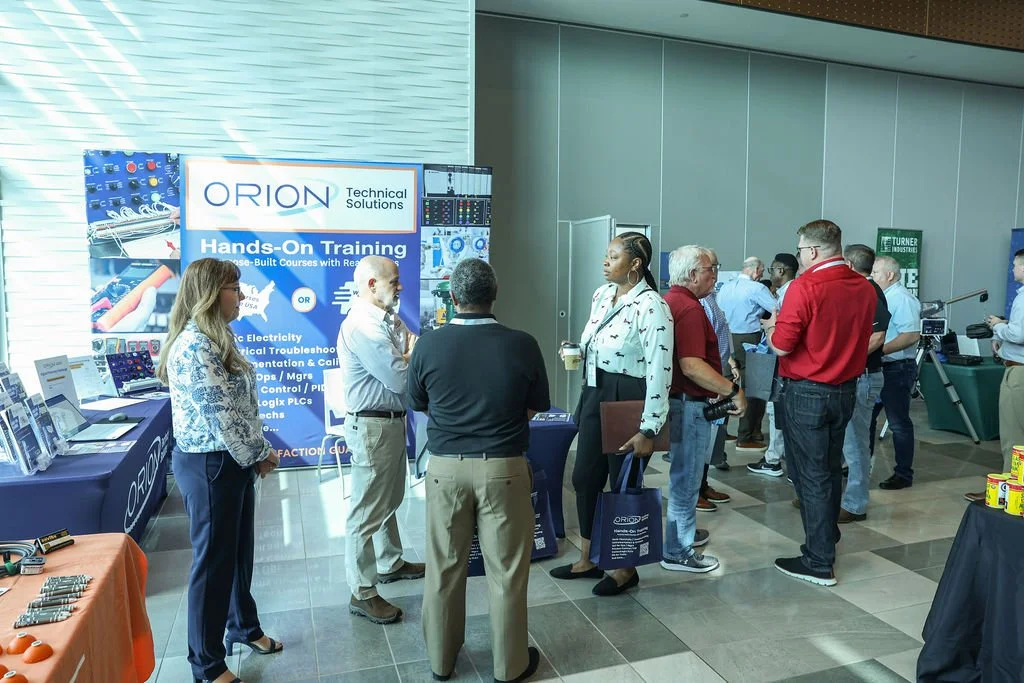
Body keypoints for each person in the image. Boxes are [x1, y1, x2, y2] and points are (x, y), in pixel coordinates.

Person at [410, 258, 548, 683]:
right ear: (495, 296)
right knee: (506, 571)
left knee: (443, 568)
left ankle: (441, 661)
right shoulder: (522, 343)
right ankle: (509, 668)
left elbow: (420, 402)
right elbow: (537, 405)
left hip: (445, 469)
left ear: (452, 298)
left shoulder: (428, 344)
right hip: (504, 468)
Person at [158, 258, 283, 683]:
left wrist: (252, 454)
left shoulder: (219, 337)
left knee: (236, 556)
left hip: (230, 462)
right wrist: (260, 453)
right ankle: (207, 665)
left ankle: (244, 628)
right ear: (211, 294)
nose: (242, 295)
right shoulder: (195, 347)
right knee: (213, 565)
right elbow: (223, 417)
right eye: (234, 288)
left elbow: (239, 409)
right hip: (211, 464)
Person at [549, 231, 673, 596]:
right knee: (586, 477)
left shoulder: (652, 305)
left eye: (614, 256)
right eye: (606, 255)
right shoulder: (602, 295)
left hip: (628, 398)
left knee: (623, 484)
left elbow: (660, 368)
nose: (605, 261)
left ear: (635, 264)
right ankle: (588, 557)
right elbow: (596, 341)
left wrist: (650, 429)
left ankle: (625, 567)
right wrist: (576, 350)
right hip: (594, 391)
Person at [761, 220, 876, 586]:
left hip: (807, 390)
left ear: (811, 251)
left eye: (799, 251)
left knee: (810, 474)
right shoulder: (865, 287)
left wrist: (772, 327)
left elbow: (782, 345)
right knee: (829, 467)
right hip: (845, 389)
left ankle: (818, 559)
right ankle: (828, 535)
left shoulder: (804, 286)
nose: (799, 256)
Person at [337, 255, 425, 625]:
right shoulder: (363, 326)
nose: (400, 286)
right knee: (366, 509)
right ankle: (362, 591)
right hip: (373, 426)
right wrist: (409, 354)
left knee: (389, 497)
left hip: (389, 422)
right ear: (371, 284)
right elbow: (403, 378)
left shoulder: (386, 318)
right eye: (394, 280)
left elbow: (410, 348)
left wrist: (408, 353)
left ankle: (390, 562)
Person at [662, 246, 747, 573]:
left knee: (684, 473)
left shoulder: (672, 300)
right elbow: (692, 366)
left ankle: (681, 533)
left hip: (680, 402)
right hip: (689, 403)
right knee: (687, 476)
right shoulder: (690, 309)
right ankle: (677, 550)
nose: (715, 274)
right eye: (711, 268)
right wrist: (733, 390)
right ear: (693, 274)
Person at [965, 249, 1024, 501]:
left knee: (1014, 436)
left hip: (1019, 372)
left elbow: (1020, 334)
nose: (1012, 270)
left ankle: (1009, 493)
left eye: (1015, 265)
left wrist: (997, 326)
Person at [838, 245, 890, 522]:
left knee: (855, 441)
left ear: (848, 263)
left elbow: (878, 336)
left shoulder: (870, 291)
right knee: (842, 438)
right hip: (852, 376)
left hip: (864, 376)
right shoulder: (859, 289)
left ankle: (855, 503)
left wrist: (848, 359)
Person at [869, 256, 922, 490]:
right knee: (866, 418)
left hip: (897, 368)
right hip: (882, 367)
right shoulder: (883, 297)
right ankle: (860, 464)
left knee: (899, 423)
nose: (872, 277)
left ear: (890, 275)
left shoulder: (902, 299)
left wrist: (879, 350)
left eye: (876, 273)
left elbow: (910, 335)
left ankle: (903, 473)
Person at [717, 256, 778, 451]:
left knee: (725, 385)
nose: (761, 274)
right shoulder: (756, 288)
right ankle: (746, 436)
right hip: (749, 339)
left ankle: (721, 432)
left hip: (725, 337)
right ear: (756, 269)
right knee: (754, 386)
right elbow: (777, 308)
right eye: (761, 270)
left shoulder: (725, 287)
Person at [749, 253, 799, 477]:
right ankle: (777, 456)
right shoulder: (784, 293)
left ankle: (776, 460)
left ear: (780, 271)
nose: (769, 274)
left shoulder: (791, 293)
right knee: (775, 410)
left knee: (777, 410)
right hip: (781, 361)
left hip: (784, 361)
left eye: (771, 269)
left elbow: (783, 334)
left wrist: (770, 326)